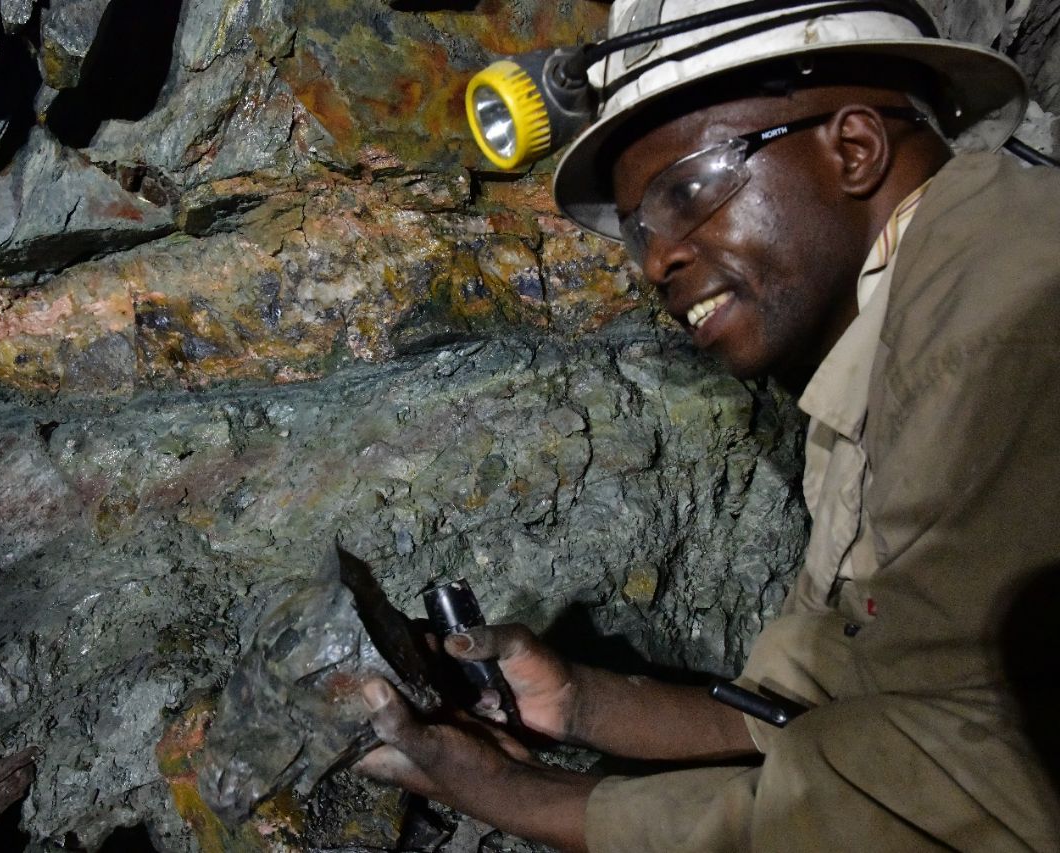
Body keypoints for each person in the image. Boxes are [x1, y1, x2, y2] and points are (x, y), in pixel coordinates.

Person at [354, 1, 1060, 850]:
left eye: (687, 190)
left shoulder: (1000, 335)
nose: (658, 261)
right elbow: (822, 692)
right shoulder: (885, 337)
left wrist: (518, 794)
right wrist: (577, 702)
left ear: (855, 148)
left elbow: (955, 792)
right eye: (639, 231)